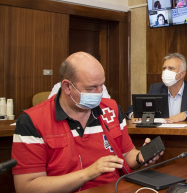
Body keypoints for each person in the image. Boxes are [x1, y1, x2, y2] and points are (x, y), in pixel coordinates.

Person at [12, 52, 160, 192]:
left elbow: (127, 154)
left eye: (102, 85)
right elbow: (26, 187)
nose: (99, 93)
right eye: (92, 88)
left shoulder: (111, 109)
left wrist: (141, 156)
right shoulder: (32, 121)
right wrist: (89, 173)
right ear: (67, 87)